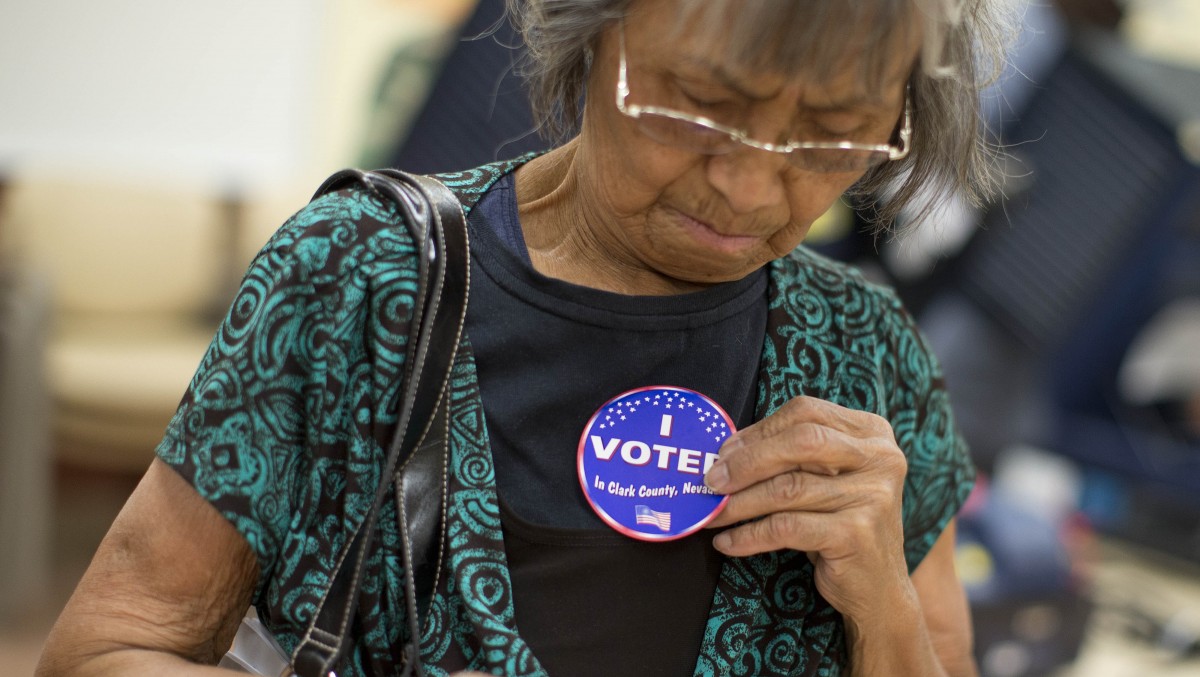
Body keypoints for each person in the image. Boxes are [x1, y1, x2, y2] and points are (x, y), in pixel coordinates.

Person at [37, 0, 1017, 675]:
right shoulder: (358, 276)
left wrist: (881, 600)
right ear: (594, 33)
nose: (754, 188)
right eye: (696, 106)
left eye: (831, 135)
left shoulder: (864, 349)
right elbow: (106, 648)